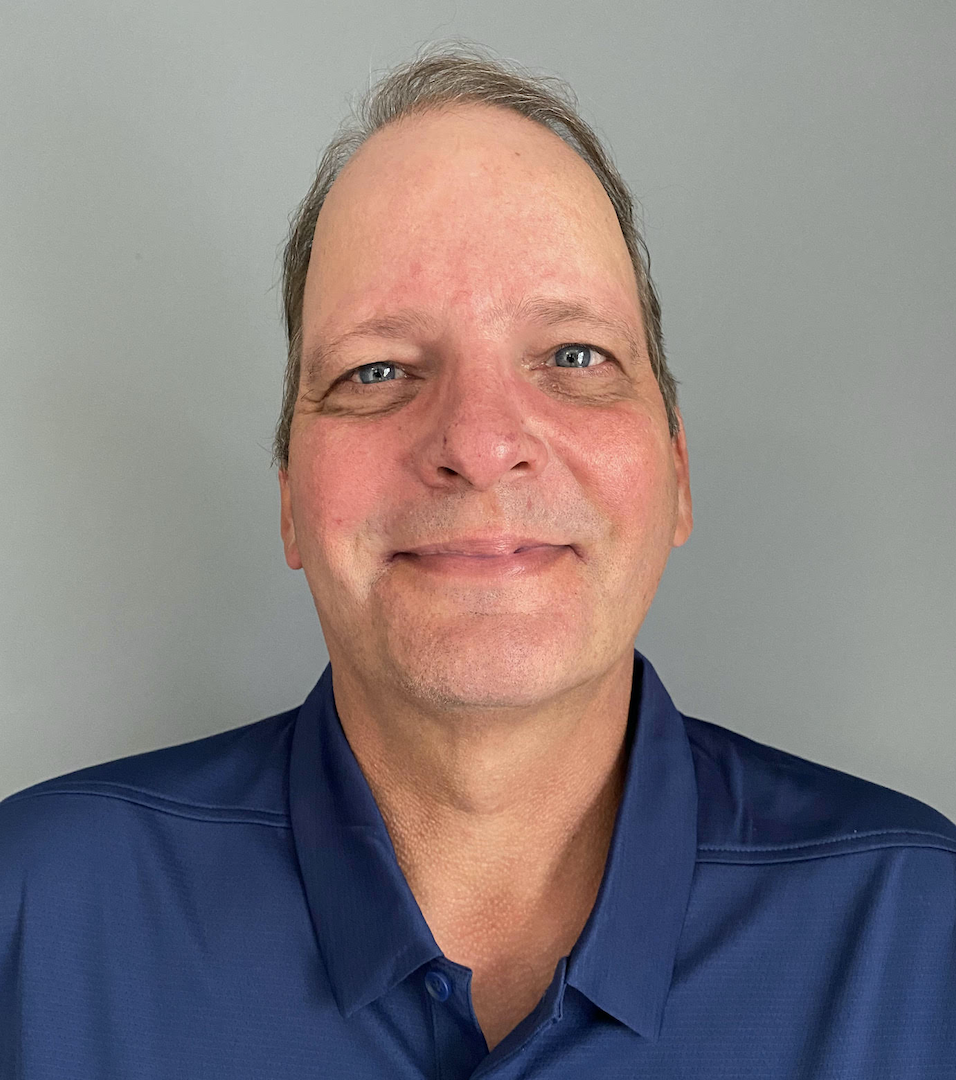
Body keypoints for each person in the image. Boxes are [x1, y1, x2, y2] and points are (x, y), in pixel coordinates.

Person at [2, 45, 954, 1078]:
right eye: (376, 370)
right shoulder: (35, 920)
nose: (480, 441)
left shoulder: (918, 938)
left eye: (575, 356)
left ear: (677, 473)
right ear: (289, 500)